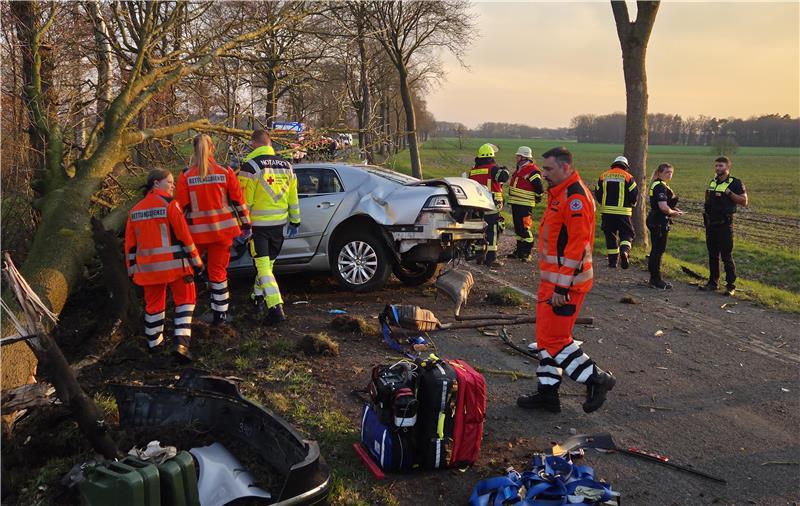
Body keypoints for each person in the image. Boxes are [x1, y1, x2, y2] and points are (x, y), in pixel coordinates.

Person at [517, 147, 615, 414]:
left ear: (565, 167)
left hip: (566, 285)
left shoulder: (575, 197)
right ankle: (547, 394)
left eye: (548, 169)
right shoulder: (560, 193)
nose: (543, 173)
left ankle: (597, 379)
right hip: (553, 282)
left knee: (555, 339)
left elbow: (576, 246)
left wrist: (562, 287)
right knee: (545, 337)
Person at [125, 169, 204, 362]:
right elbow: (185, 236)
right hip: (176, 266)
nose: (173, 186)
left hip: (148, 270)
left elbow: (130, 245)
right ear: (156, 184)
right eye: (169, 182)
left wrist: (132, 271)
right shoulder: (171, 205)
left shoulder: (135, 210)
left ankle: (154, 346)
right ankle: (181, 344)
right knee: (186, 300)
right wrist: (197, 262)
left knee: (153, 306)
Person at [177, 134, 251, 326]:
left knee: (189, 272)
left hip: (196, 234)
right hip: (223, 233)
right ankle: (220, 317)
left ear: (195, 150)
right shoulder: (226, 172)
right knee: (218, 274)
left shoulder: (186, 176)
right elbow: (238, 202)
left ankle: (186, 315)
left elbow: (181, 209)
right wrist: (246, 225)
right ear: (212, 149)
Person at [237, 129, 300, 324]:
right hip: (279, 225)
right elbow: (293, 197)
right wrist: (295, 220)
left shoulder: (250, 167)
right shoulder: (288, 166)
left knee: (263, 267)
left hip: (259, 227)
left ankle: (276, 307)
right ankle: (257, 298)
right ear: (270, 143)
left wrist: (242, 225)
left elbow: (244, 202)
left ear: (254, 144)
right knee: (267, 266)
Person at [699, 156, 748, 296]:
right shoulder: (713, 181)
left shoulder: (735, 182)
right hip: (711, 224)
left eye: (720, 166)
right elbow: (708, 198)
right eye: (716, 166)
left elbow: (744, 201)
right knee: (712, 255)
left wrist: (729, 193)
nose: (717, 168)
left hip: (725, 224)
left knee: (726, 255)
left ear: (728, 167)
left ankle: (730, 285)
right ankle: (713, 283)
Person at [468, 143, 509, 268]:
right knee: (492, 231)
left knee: (480, 231)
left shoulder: (473, 171)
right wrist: (505, 169)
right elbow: (504, 177)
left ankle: (479, 256)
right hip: (491, 205)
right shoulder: (493, 169)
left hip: (477, 207)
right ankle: (491, 259)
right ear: (491, 156)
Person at [594, 156, 638, 269]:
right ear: (626, 166)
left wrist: (603, 203)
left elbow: (598, 193)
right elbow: (634, 195)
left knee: (610, 236)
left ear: (614, 164)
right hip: (624, 213)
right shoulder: (628, 177)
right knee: (627, 233)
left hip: (607, 213)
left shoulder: (603, 176)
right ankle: (625, 251)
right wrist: (632, 203)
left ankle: (612, 262)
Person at [646, 163, 683, 289]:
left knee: (656, 249)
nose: (669, 174)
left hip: (656, 219)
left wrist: (673, 209)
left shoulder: (660, 185)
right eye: (667, 172)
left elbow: (663, 204)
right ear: (660, 173)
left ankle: (654, 277)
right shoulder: (660, 186)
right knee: (658, 250)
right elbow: (662, 207)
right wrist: (673, 213)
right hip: (658, 221)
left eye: (671, 172)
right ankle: (656, 279)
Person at [506, 146, 543, 262]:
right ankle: (519, 251)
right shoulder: (520, 169)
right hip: (516, 203)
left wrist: (538, 197)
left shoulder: (532, 170)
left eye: (518, 156)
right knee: (518, 229)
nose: (516, 158)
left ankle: (527, 253)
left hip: (525, 204)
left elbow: (539, 187)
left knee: (524, 228)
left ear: (524, 157)